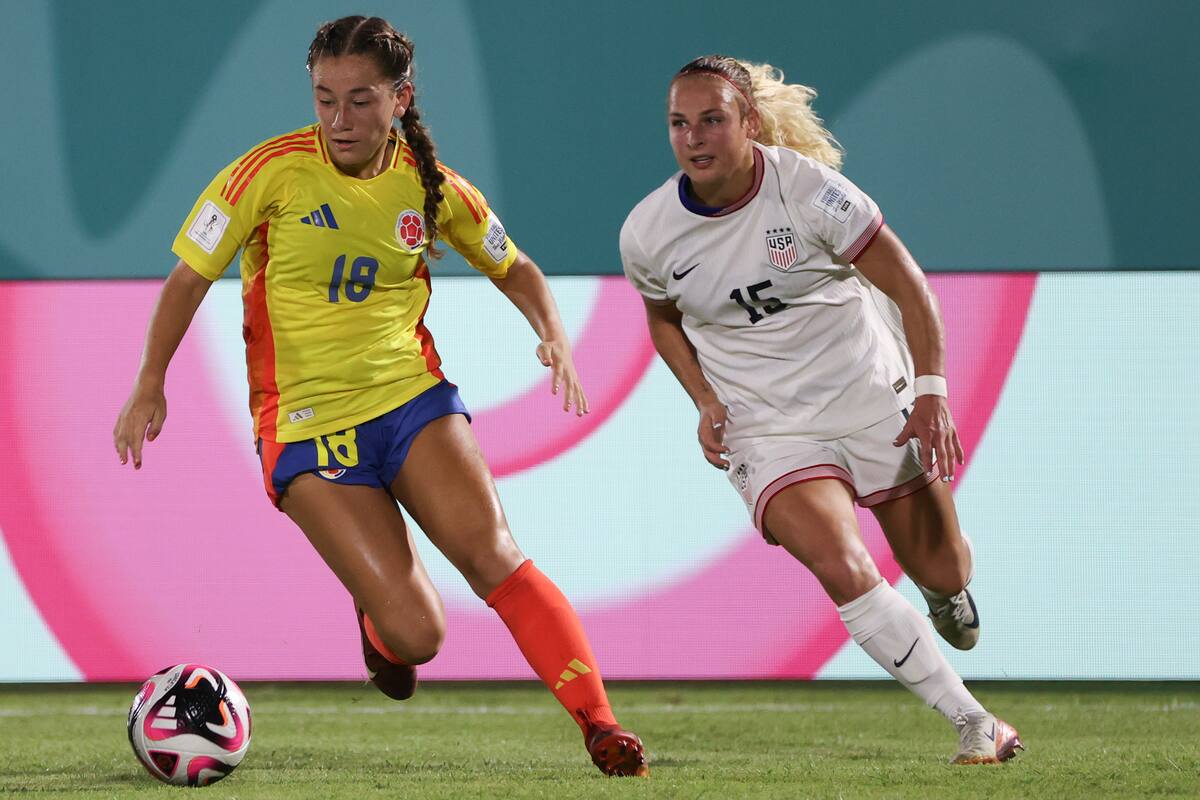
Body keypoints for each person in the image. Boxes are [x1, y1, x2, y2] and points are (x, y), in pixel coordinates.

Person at [113, 15, 648, 778]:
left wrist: (553, 334)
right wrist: (149, 381)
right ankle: (380, 627)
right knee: (419, 634)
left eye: (360, 100)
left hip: (411, 401)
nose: (338, 120)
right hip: (304, 423)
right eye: (325, 99)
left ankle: (601, 725)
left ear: (401, 99)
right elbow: (188, 278)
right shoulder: (267, 172)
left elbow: (517, 268)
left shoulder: (431, 187)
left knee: (495, 556)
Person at [620, 55, 1022, 765]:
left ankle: (946, 590)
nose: (694, 137)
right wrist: (706, 400)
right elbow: (663, 319)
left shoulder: (813, 195)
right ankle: (975, 722)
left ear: (749, 122)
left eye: (712, 119)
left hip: (868, 396)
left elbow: (910, 287)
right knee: (841, 563)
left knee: (941, 563)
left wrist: (931, 394)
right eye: (679, 123)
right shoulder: (649, 231)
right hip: (766, 425)